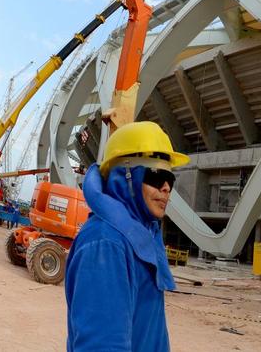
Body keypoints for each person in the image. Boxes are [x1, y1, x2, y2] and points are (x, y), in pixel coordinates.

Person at [65, 121, 189, 351]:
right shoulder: (106, 244)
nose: (166, 188)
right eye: (155, 176)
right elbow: (102, 345)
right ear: (125, 177)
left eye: (170, 180)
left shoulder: (140, 234)